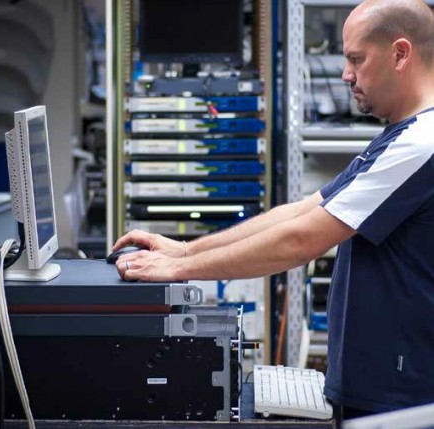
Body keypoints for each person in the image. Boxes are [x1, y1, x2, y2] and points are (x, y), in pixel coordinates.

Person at [113, 0, 434, 421]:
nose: (346, 74)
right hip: (383, 389)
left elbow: (301, 240)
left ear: (400, 53)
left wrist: (180, 271)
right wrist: (184, 252)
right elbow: (305, 211)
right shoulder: (402, 135)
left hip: (399, 398)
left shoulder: (420, 145)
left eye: (356, 59)